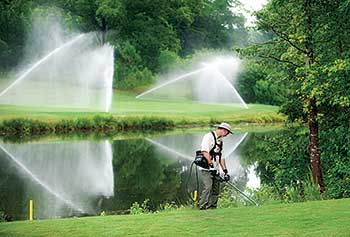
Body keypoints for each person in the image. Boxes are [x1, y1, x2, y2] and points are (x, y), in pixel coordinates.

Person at [198, 122, 231, 210]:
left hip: (216, 169)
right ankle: (202, 207)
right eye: (227, 133)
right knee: (208, 187)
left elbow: (221, 157)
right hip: (206, 168)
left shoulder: (220, 141)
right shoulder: (208, 137)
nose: (226, 135)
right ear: (224, 130)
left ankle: (212, 207)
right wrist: (211, 165)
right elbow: (205, 152)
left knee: (216, 189)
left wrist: (225, 171)